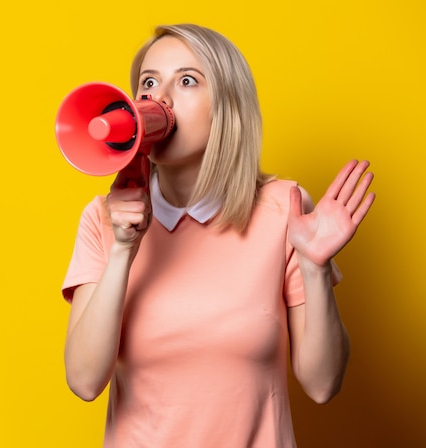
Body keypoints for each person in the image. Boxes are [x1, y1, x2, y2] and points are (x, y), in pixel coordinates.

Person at [60, 23, 375, 448]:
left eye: (187, 80)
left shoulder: (285, 209)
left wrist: (314, 267)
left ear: (227, 107)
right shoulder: (103, 220)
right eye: (148, 82)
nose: (160, 98)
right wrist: (122, 249)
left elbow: (322, 385)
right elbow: (83, 381)